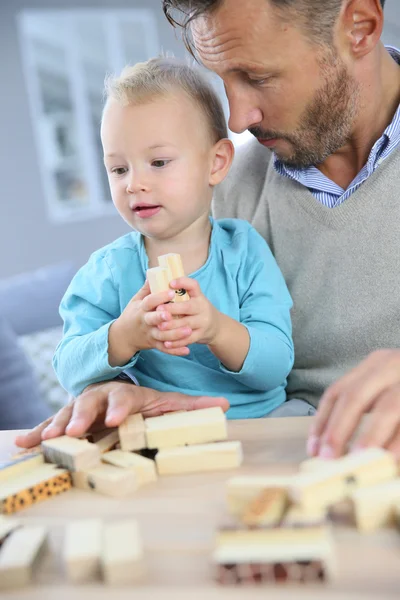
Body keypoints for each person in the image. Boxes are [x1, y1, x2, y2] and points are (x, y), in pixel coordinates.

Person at [16, 0, 400, 460]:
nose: (238, 119)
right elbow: (99, 358)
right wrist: (123, 388)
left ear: (360, 27)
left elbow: (264, 360)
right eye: (222, 80)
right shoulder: (211, 197)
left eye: (257, 77)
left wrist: (216, 331)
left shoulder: (236, 242)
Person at [51, 59, 295, 425]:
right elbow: (68, 368)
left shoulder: (244, 250)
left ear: (215, 163)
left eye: (159, 162)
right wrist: (124, 336)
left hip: (260, 422)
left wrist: (215, 328)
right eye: (119, 169)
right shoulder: (109, 270)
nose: (134, 184)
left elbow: (276, 366)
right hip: (165, 429)